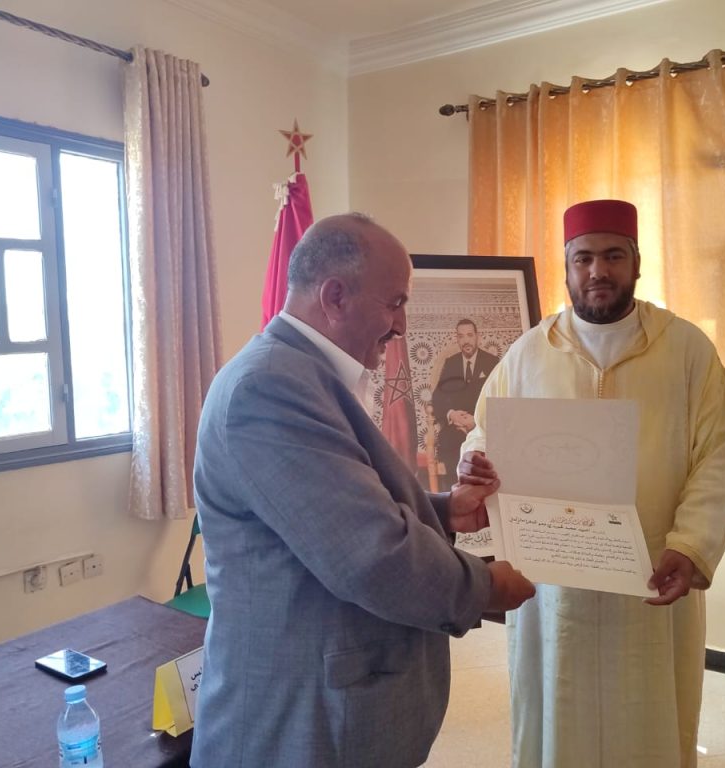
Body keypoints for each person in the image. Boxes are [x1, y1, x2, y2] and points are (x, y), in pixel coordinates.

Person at [190, 213, 536, 768]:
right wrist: (486, 586)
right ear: (335, 297)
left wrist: (445, 511)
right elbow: (370, 555)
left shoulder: (305, 375)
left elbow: (349, 502)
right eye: (394, 303)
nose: (402, 325)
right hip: (299, 721)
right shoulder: (269, 388)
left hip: (331, 706)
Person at [459, 199, 725, 767]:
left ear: (637, 262)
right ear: (566, 267)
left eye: (613, 256)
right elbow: (484, 432)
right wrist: (475, 463)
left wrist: (690, 545)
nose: (598, 271)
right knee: (559, 712)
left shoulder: (688, 351)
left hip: (651, 571)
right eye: (583, 258)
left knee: (647, 715)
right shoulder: (529, 353)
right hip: (553, 580)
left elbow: (716, 455)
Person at [430, 319, 499, 489]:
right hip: (455, 430)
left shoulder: (492, 362)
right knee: (449, 443)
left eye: (469, 335)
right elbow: (437, 398)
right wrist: (452, 415)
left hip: (482, 428)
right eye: (461, 336)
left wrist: (476, 421)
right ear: (457, 339)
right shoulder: (451, 363)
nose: (466, 340)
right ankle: (455, 495)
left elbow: (499, 398)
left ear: (477, 337)